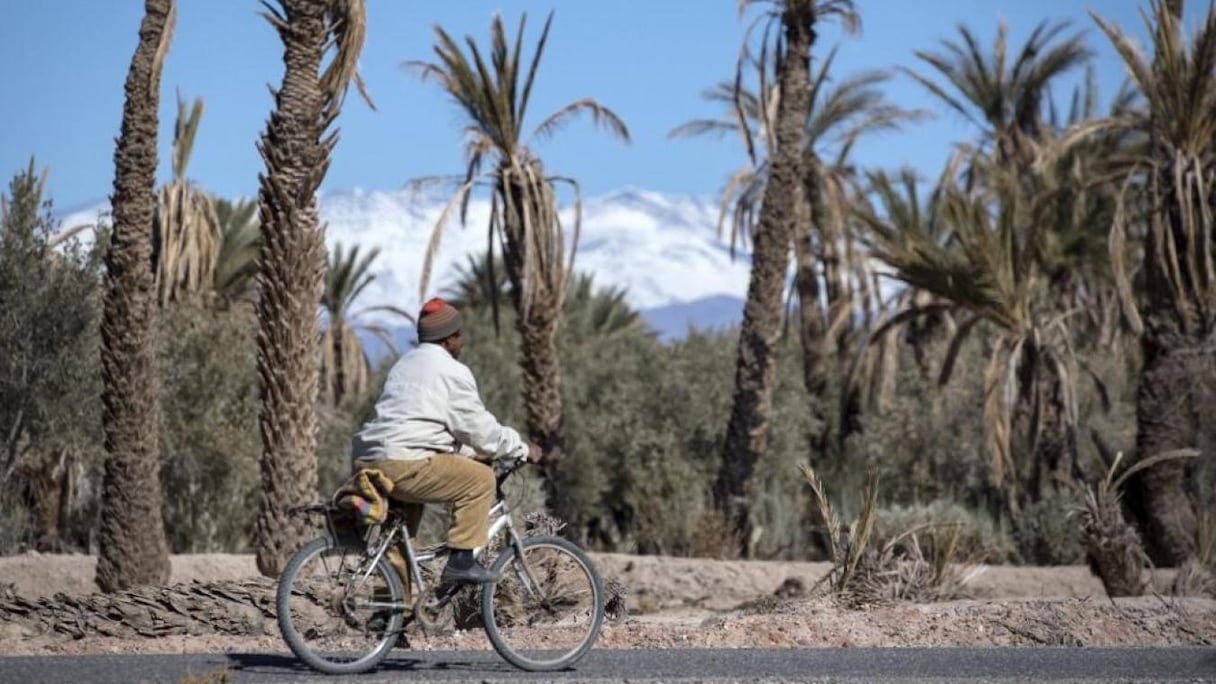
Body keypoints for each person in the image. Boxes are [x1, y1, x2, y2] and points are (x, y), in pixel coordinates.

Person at [350, 297, 540, 584]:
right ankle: (461, 563)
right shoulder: (451, 371)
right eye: (459, 335)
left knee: (400, 540)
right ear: (449, 339)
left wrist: (468, 453)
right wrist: (521, 447)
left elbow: (422, 426)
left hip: (372, 459)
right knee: (481, 479)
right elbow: (479, 431)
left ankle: (391, 607)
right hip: (404, 462)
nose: (462, 341)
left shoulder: (403, 365)